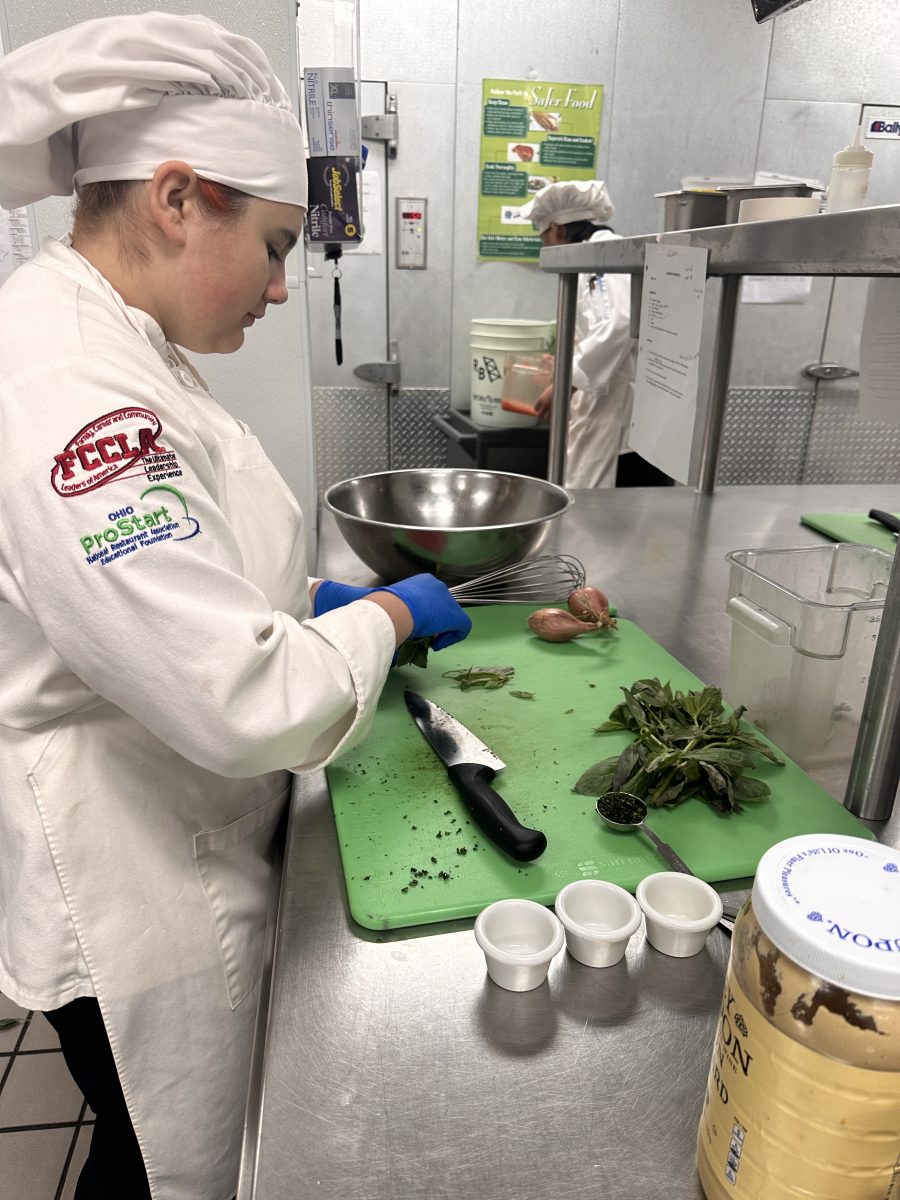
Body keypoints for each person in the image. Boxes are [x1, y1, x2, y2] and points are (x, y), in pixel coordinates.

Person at [0, 14, 471, 1200]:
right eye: (270, 247)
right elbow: (244, 699)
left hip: (164, 817)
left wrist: (303, 597)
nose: (276, 287)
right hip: (132, 874)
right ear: (174, 195)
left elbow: (166, 579)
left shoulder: (118, 341)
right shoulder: (69, 389)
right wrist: (391, 618)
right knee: (160, 1164)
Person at [526, 179, 672, 488]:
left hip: (621, 429)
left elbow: (619, 324)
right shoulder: (600, 256)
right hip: (618, 416)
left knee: (608, 521)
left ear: (555, 230)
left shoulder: (601, 258)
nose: (545, 246)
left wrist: (567, 383)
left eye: (543, 237)